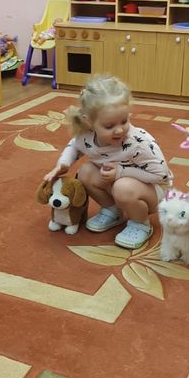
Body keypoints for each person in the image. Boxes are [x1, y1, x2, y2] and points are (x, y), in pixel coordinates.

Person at [43, 74, 172, 249]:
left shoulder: (138, 143)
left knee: (122, 187)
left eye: (124, 121)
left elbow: (161, 175)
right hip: (117, 182)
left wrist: (121, 172)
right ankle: (113, 210)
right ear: (89, 122)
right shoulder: (86, 135)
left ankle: (140, 223)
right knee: (85, 172)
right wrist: (63, 164)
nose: (119, 130)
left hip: (152, 190)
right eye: (109, 126)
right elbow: (74, 145)